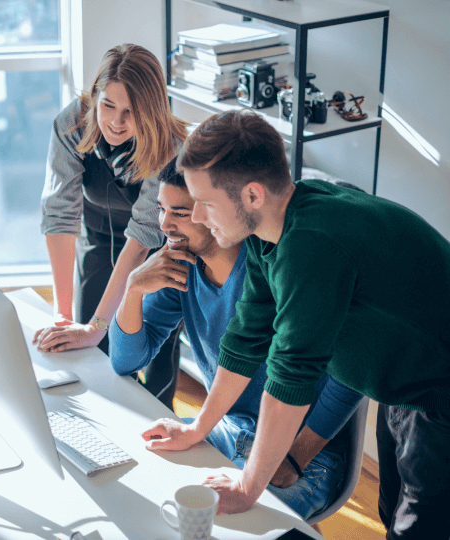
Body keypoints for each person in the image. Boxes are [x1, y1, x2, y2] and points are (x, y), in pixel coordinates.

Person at [146, 109, 450, 539]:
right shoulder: (270, 233)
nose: (196, 217)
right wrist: (199, 428)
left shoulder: (311, 246)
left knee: (419, 530)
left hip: (439, 394)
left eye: (205, 203)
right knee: (392, 514)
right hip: (403, 387)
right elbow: (245, 340)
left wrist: (249, 487)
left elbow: (291, 377)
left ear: (252, 195)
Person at [111, 158, 363, 520]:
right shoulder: (180, 266)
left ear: (216, 210)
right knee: (142, 486)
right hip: (227, 429)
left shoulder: (278, 269)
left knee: (231, 526)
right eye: (163, 210)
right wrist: (134, 288)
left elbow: (352, 371)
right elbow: (126, 360)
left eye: (180, 212)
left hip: (301, 448)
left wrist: (294, 457)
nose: (165, 225)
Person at [35, 44, 189, 400]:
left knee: (145, 342)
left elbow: (141, 241)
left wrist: (99, 326)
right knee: (86, 342)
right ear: (95, 96)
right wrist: (64, 317)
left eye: (130, 112)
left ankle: (157, 413)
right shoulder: (71, 124)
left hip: (156, 249)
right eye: (108, 106)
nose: (116, 123)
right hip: (99, 236)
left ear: (150, 111)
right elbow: (60, 217)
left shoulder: (171, 147)